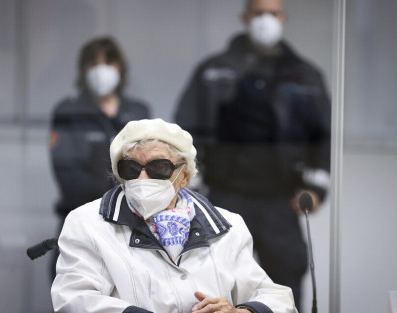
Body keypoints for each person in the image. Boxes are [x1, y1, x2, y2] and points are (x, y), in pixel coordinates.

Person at [174, 0, 331, 309]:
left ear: (284, 17)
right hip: (224, 196)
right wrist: (189, 185)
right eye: (259, 13)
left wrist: (317, 189)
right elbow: (186, 129)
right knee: (217, 278)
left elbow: (321, 137)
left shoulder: (305, 75)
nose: (266, 20)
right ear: (245, 17)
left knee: (284, 280)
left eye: (273, 13)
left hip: (281, 199)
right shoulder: (213, 70)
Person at [51, 118, 298, 313]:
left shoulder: (229, 226)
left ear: (185, 176)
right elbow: (73, 299)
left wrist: (241, 311)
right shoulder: (87, 223)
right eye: (131, 168)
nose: (142, 178)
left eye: (159, 168)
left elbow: (277, 299)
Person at [49, 37, 150, 281]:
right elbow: (66, 170)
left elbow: (148, 167)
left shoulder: (138, 112)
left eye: (108, 62)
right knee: (76, 290)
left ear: (120, 68)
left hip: (132, 223)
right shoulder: (68, 112)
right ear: (83, 69)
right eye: (93, 63)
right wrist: (106, 205)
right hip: (81, 217)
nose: (101, 69)